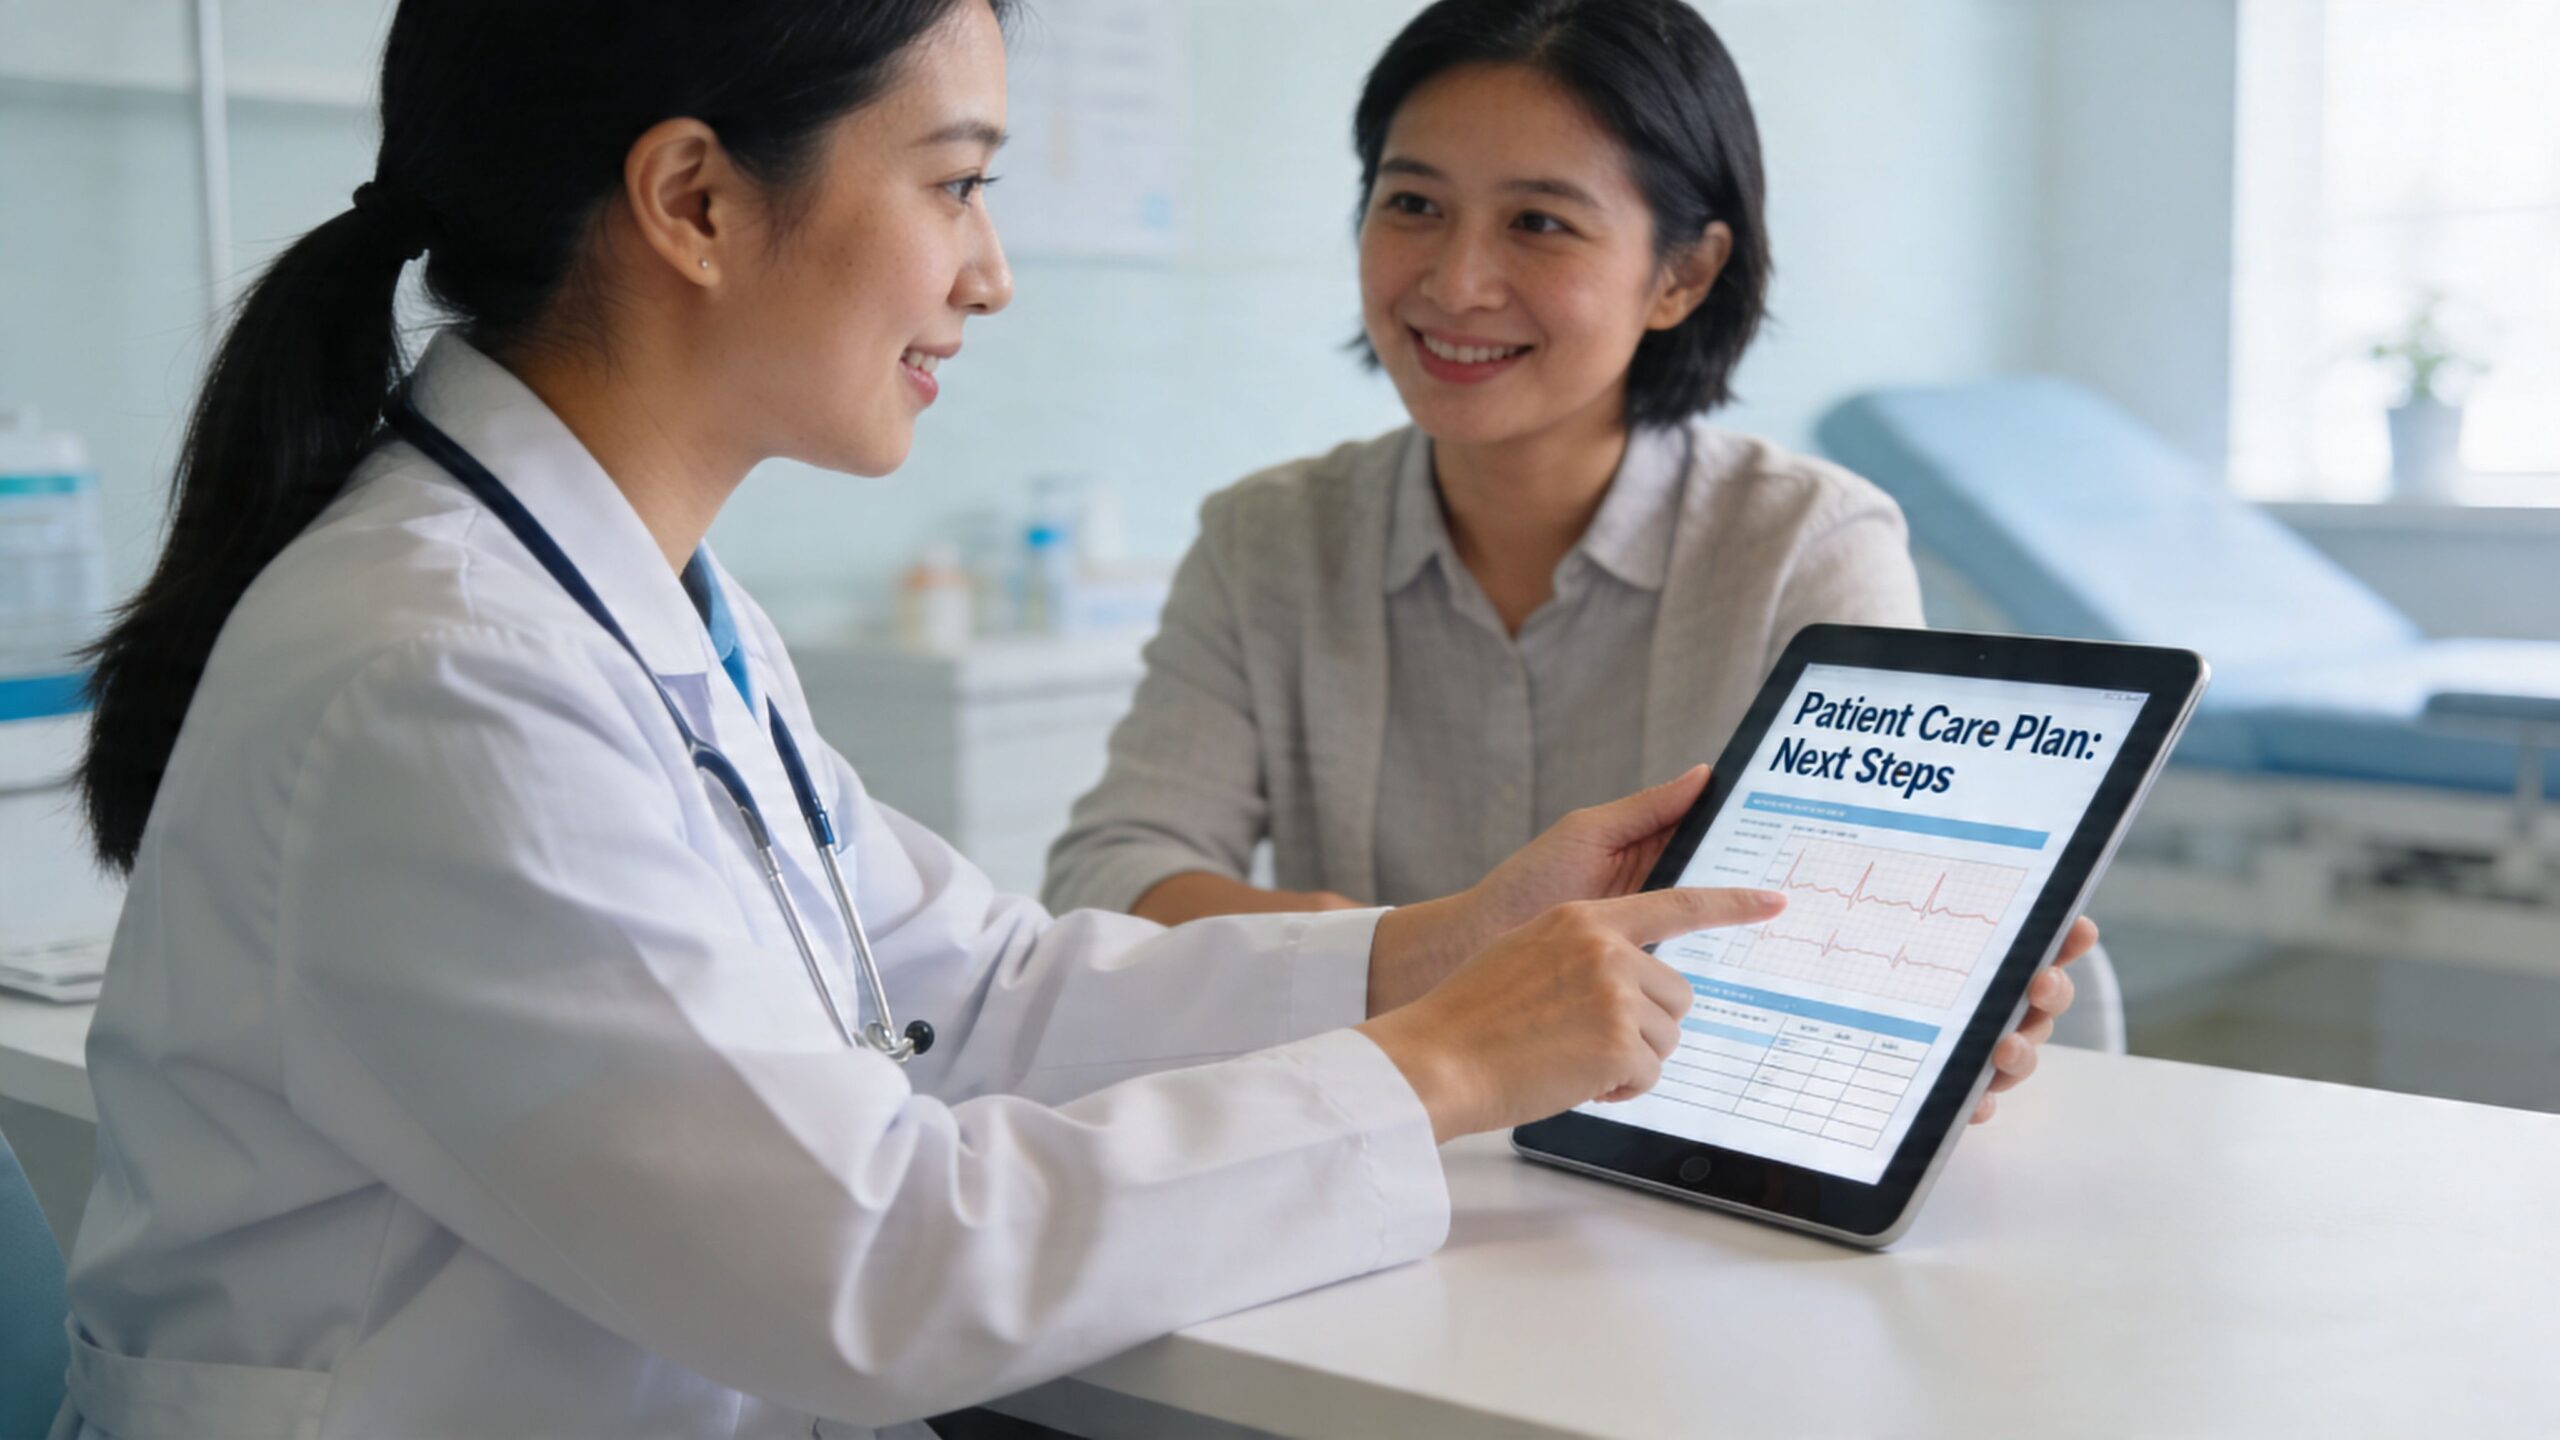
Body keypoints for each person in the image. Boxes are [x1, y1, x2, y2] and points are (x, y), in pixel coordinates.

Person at [50, 3, 1916, 1436]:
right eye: (954, 182)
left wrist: (1461, 943)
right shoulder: (446, 675)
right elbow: (869, 1264)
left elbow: (987, 989)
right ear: (694, 200)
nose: (990, 269)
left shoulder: (631, 607)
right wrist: (1439, 1067)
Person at [1042, 0, 2111, 1052]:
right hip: (1368, 1142)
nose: (1455, 282)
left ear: (1682, 276)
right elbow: (1111, 874)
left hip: (1679, 1163)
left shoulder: (1808, 548)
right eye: (1412, 203)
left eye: (1538, 223)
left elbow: (1855, 945)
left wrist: (1354, 966)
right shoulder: (1264, 540)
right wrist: (1409, 949)